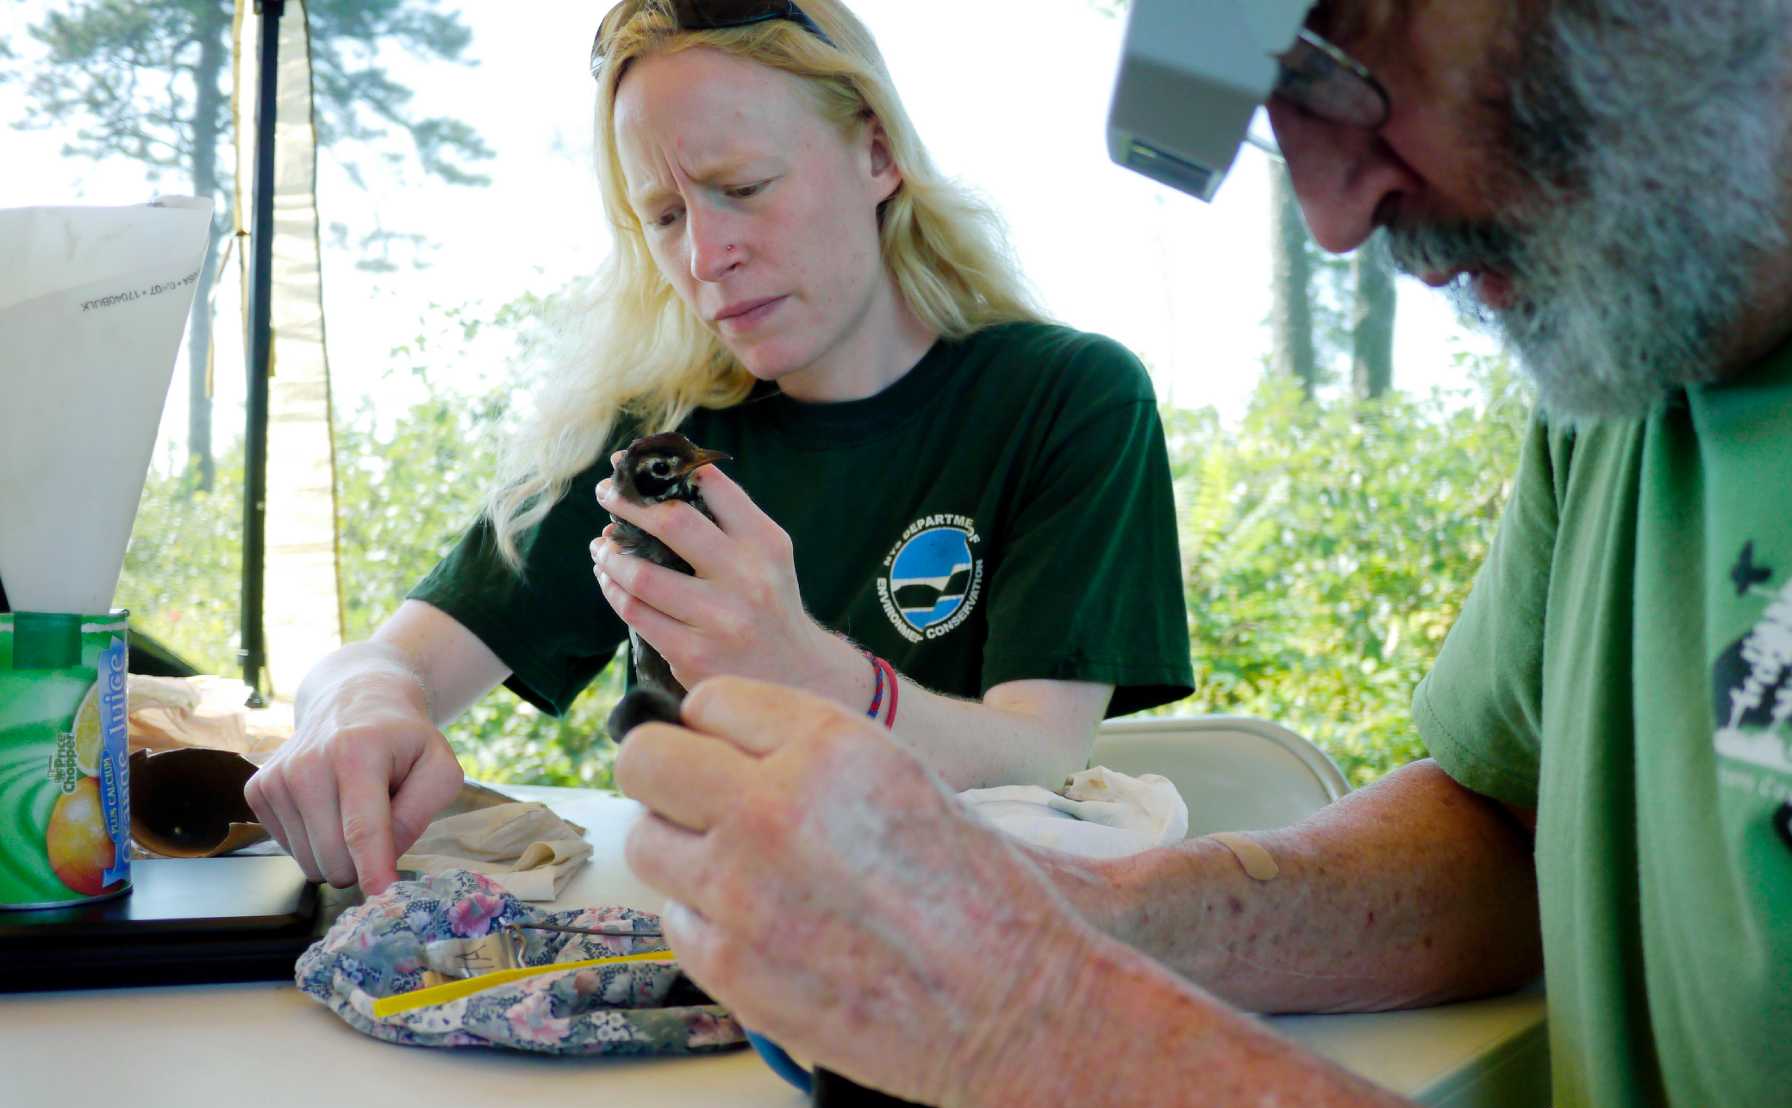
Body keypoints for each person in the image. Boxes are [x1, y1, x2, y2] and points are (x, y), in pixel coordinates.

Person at [613, 0, 1792, 1108]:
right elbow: (1507, 821)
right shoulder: (1658, 310)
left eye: (1336, 48)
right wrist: (1081, 919)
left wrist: (1030, 1012)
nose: (1333, 212)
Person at [247, 0, 1194, 894]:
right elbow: (393, 661)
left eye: (742, 188)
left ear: (876, 151)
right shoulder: (656, 441)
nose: (705, 255)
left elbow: (1041, 754)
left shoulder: (1065, 398)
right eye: (663, 214)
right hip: (701, 935)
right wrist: (357, 703)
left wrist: (815, 677)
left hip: (961, 947)